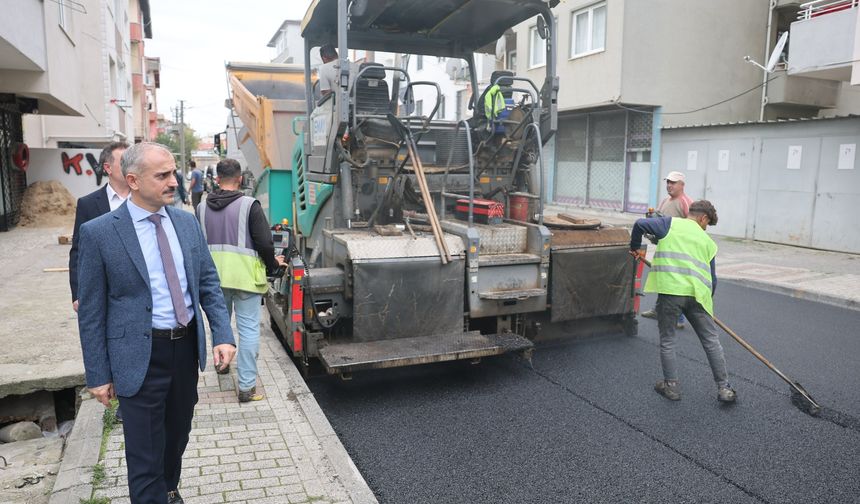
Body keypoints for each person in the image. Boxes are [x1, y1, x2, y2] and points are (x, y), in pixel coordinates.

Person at [76, 142, 236, 504]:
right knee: (144, 450)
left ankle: (168, 488)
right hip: (138, 356)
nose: (174, 181)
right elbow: (91, 311)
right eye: (162, 175)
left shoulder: (185, 221)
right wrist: (98, 374)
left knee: (176, 434)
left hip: (184, 351)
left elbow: (208, 282)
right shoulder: (99, 233)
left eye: (174, 172)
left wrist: (222, 335)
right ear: (132, 180)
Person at [629, 200, 736, 404]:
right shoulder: (708, 243)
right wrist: (706, 302)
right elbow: (712, 279)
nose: (705, 229)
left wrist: (635, 247)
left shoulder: (669, 224)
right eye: (707, 224)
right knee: (711, 341)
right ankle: (724, 388)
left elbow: (639, 224)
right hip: (698, 296)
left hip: (671, 293)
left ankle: (671, 387)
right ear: (703, 218)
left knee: (668, 339)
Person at [196, 158, 285, 402]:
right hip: (245, 278)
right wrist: (274, 264)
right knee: (247, 331)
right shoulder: (249, 205)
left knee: (219, 323)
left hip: (213, 279)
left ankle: (221, 363)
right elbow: (265, 243)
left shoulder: (201, 207)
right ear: (240, 179)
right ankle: (246, 387)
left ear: (216, 180)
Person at [69, 142, 130, 312]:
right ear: (108, 168)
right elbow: (78, 251)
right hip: (102, 285)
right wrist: (77, 293)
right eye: (125, 162)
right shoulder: (88, 204)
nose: (131, 166)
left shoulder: (146, 200)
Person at [640, 170, 694, 328]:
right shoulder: (664, 201)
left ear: (682, 185)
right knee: (663, 280)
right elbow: (659, 223)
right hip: (664, 248)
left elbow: (694, 228)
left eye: (673, 182)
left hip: (680, 252)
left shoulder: (686, 202)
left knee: (678, 284)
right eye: (668, 182)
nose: (669, 185)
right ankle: (658, 310)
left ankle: (679, 318)